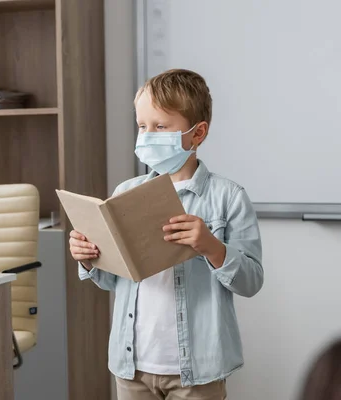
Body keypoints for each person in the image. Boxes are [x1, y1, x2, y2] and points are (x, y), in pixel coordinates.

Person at [69, 69, 263, 399]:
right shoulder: (126, 192)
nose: (147, 135)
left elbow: (251, 281)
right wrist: (89, 259)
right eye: (142, 126)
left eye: (160, 126)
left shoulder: (228, 197)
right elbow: (114, 280)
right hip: (132, 365)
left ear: (197, 133)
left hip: (198, 370)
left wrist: (211, 247)